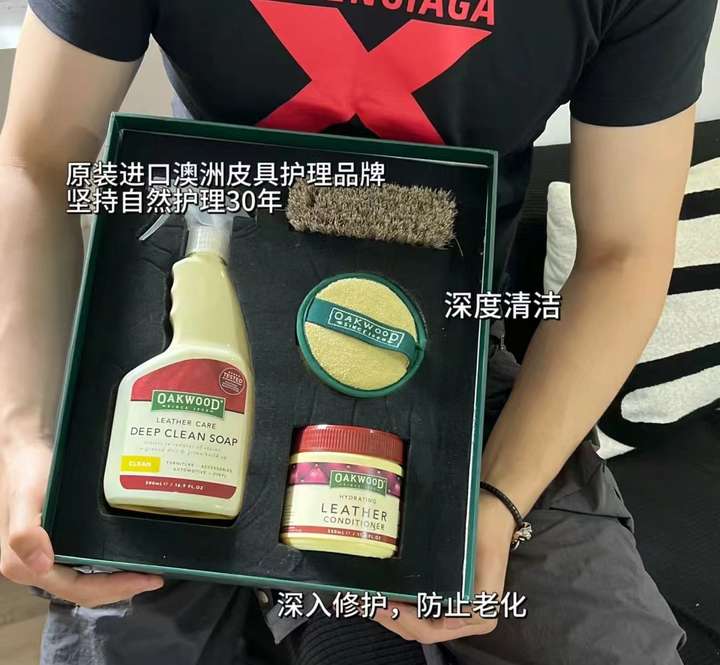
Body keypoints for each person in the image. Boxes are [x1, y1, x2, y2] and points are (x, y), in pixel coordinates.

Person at [0, 1, 716, 664]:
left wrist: (499, 497)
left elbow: (623, 254)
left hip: (446, 360)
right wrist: (26, 436)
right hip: (192, 320)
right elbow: (36, 159)